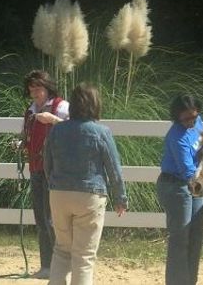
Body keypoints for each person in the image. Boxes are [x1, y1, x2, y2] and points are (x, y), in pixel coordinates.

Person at [44, 83, 127, 285]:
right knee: (84, 256)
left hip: (59, 194)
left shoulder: (57, 130)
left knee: (62, 249)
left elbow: (47, 163)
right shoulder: (101, 132)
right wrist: (120, 197)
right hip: (89, 195)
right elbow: (113, 168)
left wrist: (54, 185)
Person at [20, 70, 69, 279]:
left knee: (52, 220)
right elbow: (27, 136)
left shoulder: (62, 106)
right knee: (41, 219)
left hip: (55, 169)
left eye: (38, 88)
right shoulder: (30, 111)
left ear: (47, 87)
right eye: (31, 88)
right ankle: (46, 266)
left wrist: (53, 120)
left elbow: (75, 129)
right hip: (36, 168)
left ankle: (60, 266)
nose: (34, 92)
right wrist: (22, 143)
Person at [156, 94, 203, 285]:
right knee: (180, 238)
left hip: (195, 183)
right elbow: (186, 171)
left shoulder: (197, 123)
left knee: (195, 237)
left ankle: (190, 281)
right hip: (176, 186)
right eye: (186, 119)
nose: (191, 122)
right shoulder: (176, 136)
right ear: (177, 117)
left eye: (194, 116)